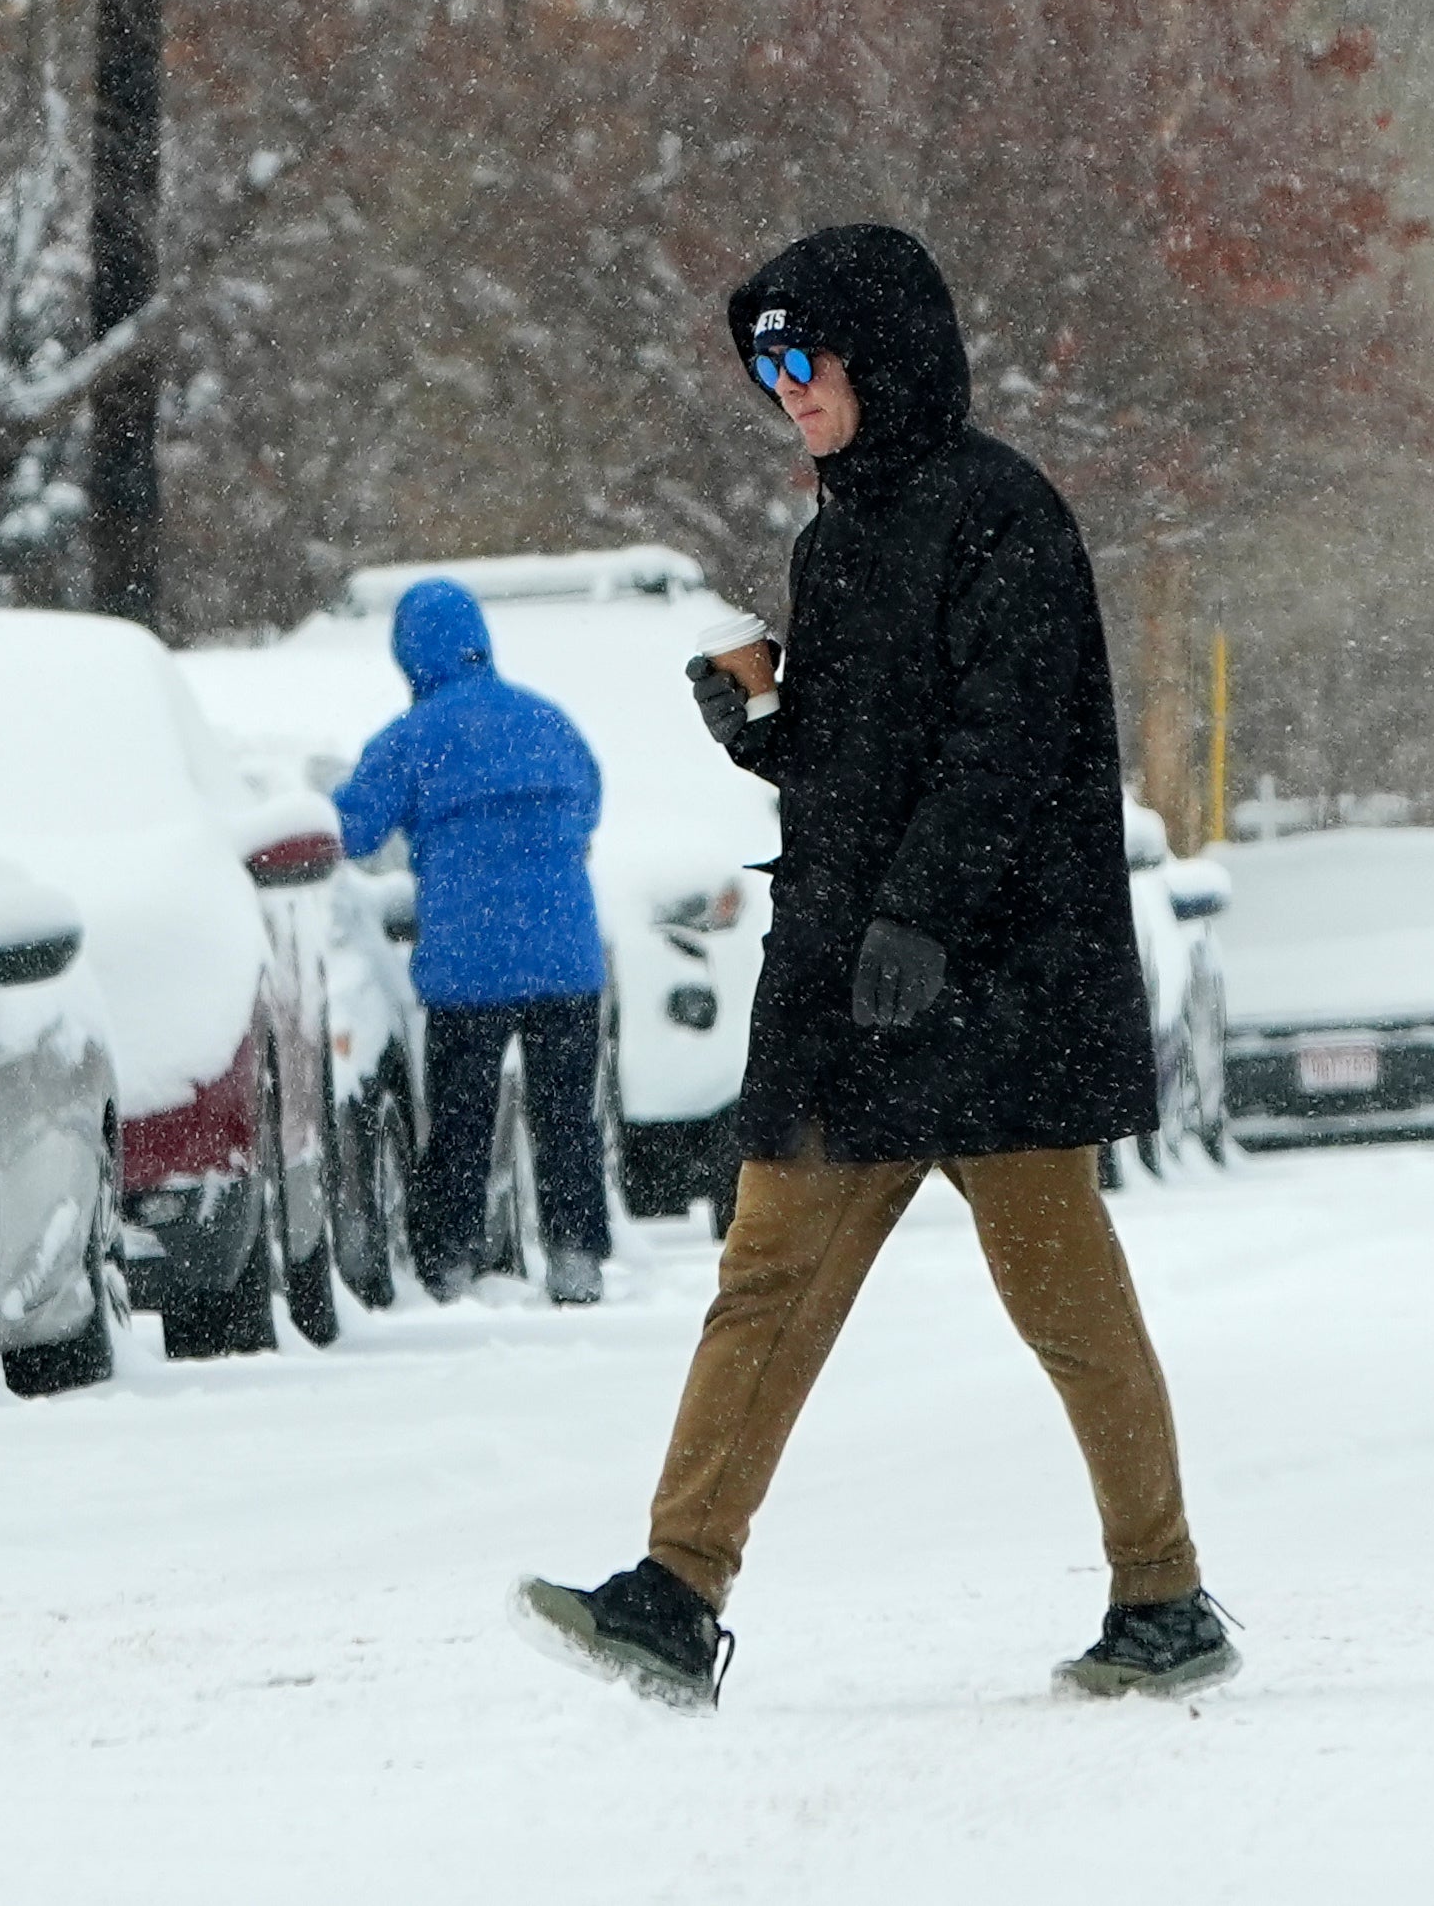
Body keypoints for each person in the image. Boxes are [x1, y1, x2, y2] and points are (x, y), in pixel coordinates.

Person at [512, 224, 1235, 1707]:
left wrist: (922, 913)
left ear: (883, 354)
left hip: (997, 989)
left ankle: (1162, 1594)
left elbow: (1008, 751)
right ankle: (673, 1588)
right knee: (765, 1275)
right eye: (764, 364)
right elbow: (867, 760)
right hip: (860, 990)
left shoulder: (1002, 518)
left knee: (1065, 1299)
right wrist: (770, 730)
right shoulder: (837, 532)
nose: (785, 389)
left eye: (805, 357)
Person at [333, 578, 613, 1305]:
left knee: (460, 1118)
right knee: (566, 1116)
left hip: (469, 962)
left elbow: (352, 829)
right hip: (564, 955)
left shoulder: (411, 739)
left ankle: (449, 1260)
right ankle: (576, 1255)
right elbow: (587, 801)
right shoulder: (546, 719)